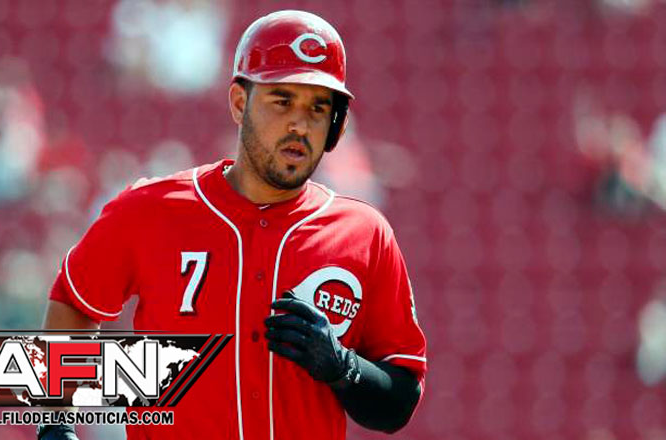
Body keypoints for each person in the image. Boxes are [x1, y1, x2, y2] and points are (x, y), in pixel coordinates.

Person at [39, 10, 427, 440]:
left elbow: (399, 403)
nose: (299, 124)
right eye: (282, 100)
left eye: (318, 108)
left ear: (337, 124)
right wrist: (55, 422)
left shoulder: (364, 234)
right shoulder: (149, 209)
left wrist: (343, 367)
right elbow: (75, 301)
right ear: (240, 103)